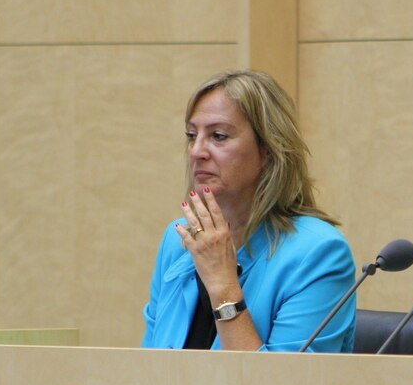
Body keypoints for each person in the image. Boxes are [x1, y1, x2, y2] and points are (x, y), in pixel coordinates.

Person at [142, 70, 356, 352]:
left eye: (218, 136)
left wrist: (223, 286)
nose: (196, 151)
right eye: (192, 135)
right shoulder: (178, 241)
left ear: (268, 150)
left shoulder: (318, 254)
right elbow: (147, 371)